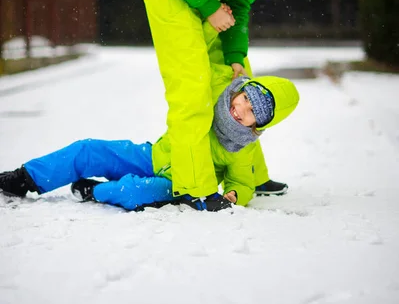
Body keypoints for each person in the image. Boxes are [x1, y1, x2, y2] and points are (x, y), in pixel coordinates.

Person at [139, 0, 342, 208]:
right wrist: (209, 7)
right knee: (192, 89)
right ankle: (195, 186)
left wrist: (234, 57)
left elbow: (241, 6)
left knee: (243, 82)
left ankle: (252, 174)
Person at [0, 74, 299, 212]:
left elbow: (243, 182)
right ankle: (27, 178)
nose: (240, 109)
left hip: (176, 183)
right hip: (150, 155)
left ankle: (94, 190)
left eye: (250, 114)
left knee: (132, 191)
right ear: (241, 90)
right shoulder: (208, 102)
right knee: (89, 148)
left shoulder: (240, 147)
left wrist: (234, 194)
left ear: (257, 126)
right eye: (245, 99)